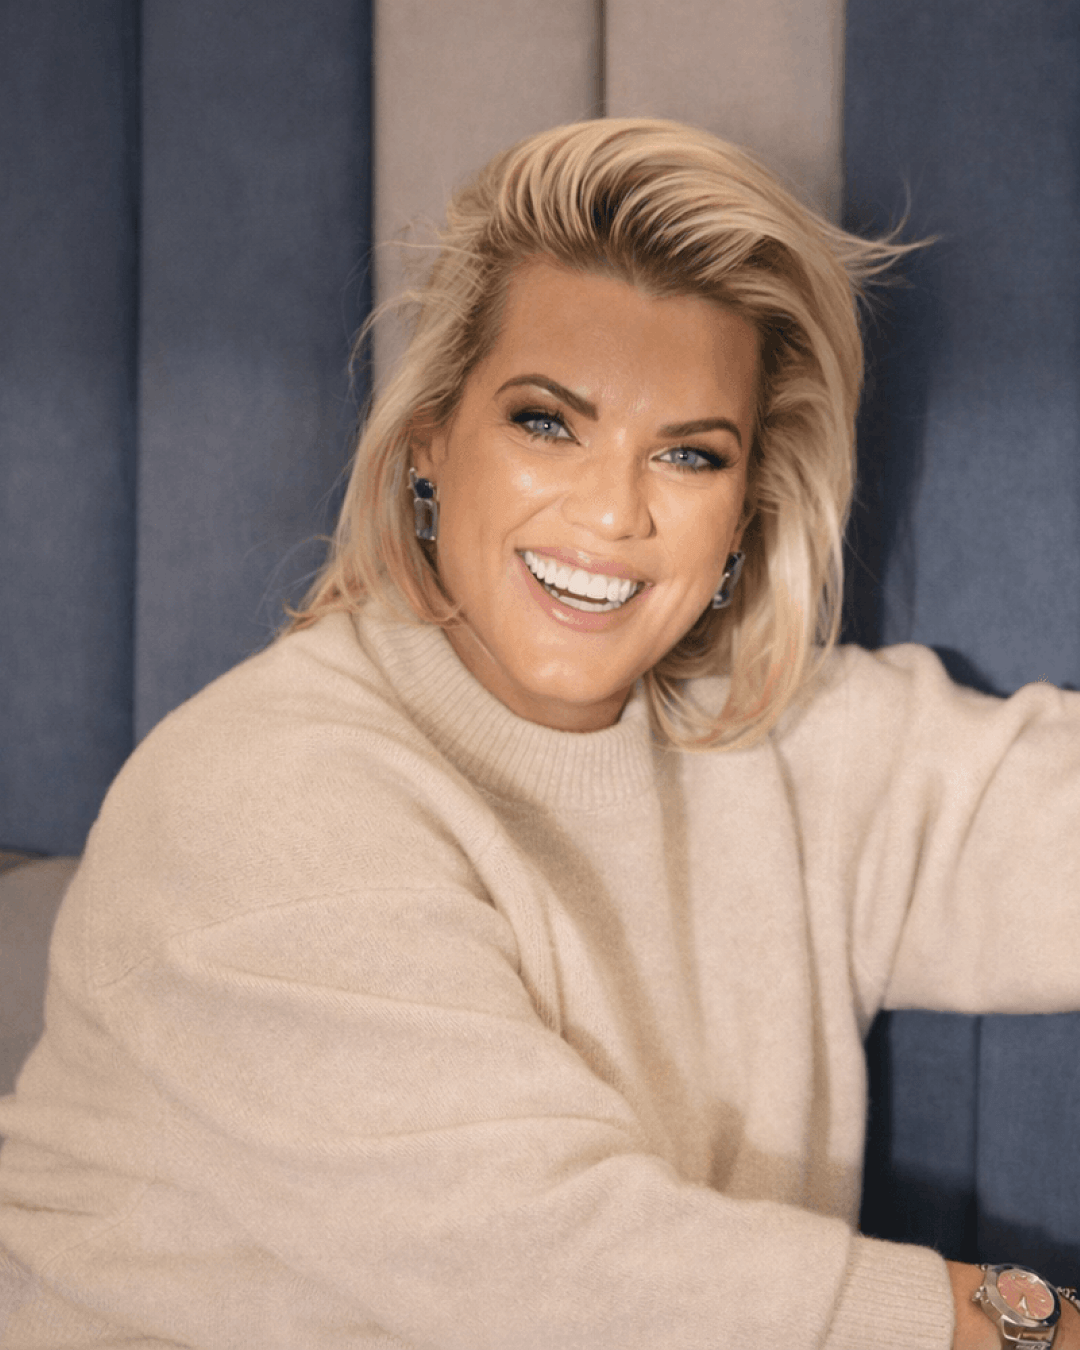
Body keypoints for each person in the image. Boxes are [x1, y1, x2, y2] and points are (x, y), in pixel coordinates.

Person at [1, 116, 1078, 1349]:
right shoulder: (254, 797)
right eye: (548, 423)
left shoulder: (780, 749)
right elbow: (568, 1275)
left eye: (688, 454)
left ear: (743, 515)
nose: (612, 512)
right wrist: (1027, 1329)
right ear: (430, 443)